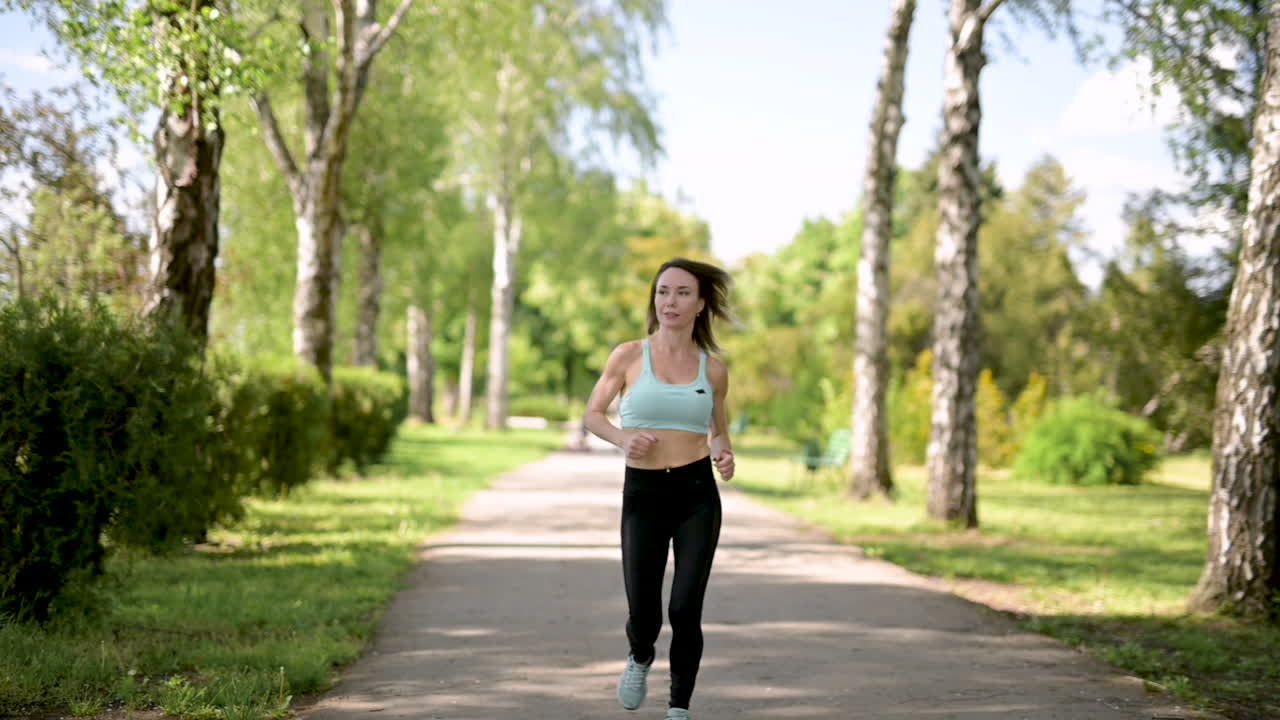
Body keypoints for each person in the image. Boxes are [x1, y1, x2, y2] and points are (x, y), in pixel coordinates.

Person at [584, 257, 735, 720]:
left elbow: (719, 430)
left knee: (686, 608)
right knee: (645, 612)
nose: (670, 301)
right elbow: (593, 415)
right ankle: (641, 655)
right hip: (644, 495)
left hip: (696, 495)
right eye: (663, 291)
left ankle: (678, 708)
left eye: (682, 293)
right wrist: (623, 437)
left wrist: (724, 453)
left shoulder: (713, 370)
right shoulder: (628, 356)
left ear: (700, 303)